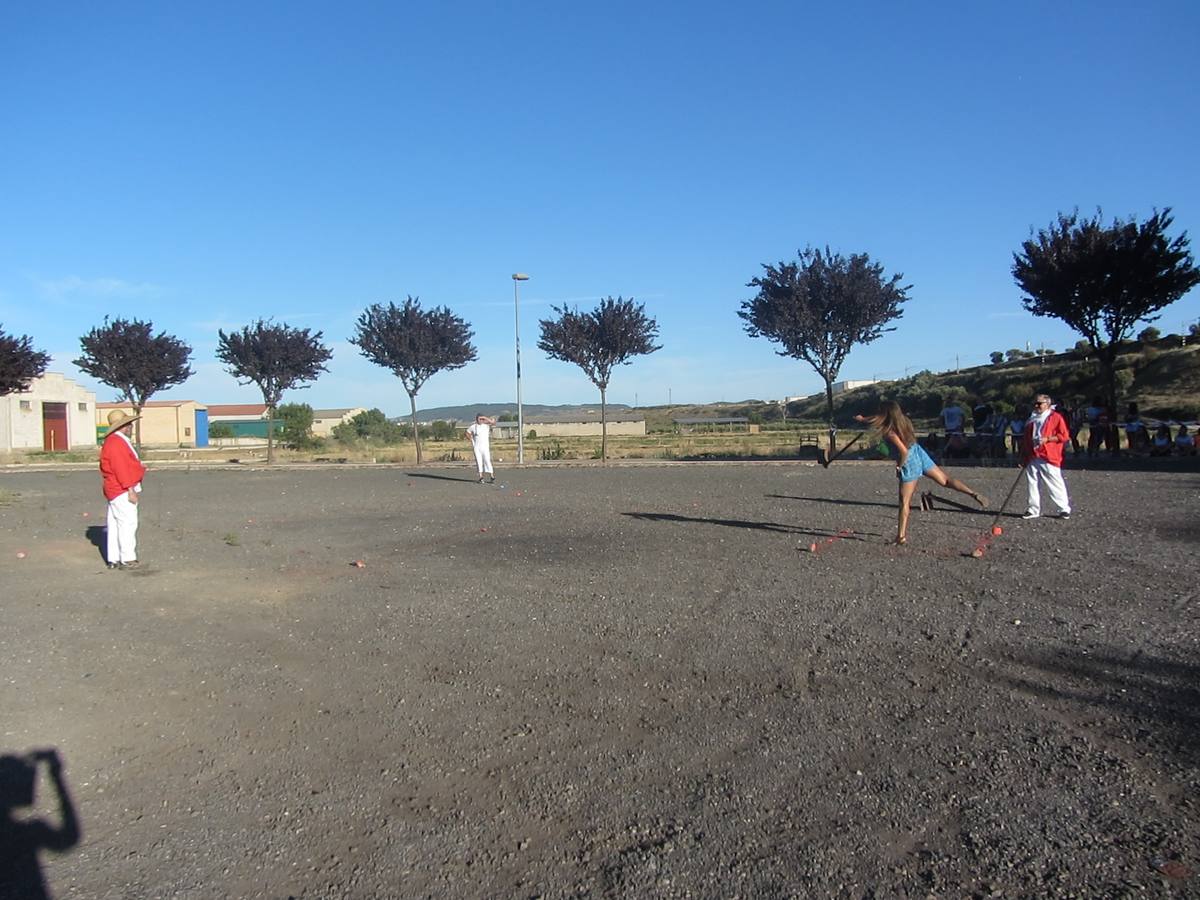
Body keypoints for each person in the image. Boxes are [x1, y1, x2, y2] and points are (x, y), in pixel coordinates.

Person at [855, 401, 988, 545]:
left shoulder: (890, 432)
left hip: (908, 460)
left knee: (904, 502)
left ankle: (900, 536)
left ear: (885, 414)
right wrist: (863, 419)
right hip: (918, 451)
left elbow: (903, 452)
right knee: (945, 480)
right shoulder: (904, 421)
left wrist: (899, 466)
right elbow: (877, 418)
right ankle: (973, 493)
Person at [99, 409, 146, 569]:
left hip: (114, 488)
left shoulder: (113, 441)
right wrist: (130, 489)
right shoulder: (117, 443)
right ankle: (128, 558)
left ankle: (114, 558)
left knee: (115, 524)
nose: (131, 426)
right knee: (127, 523)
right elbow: (121, 468)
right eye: (129, 423)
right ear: (124, 425)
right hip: (121, 488)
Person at [1021, 394, 1072, 520]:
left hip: (1049, 455)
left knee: (1054, 482)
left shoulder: (1055, 417)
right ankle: (1033, 509)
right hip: (1033, 455)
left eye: (1040, 403)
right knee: (1032, 483)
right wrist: (1023, 455)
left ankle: (1064, 509)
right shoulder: (1032, 418)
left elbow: (1064, 436)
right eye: (1035, 403)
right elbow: (1026, 438)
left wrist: (1048, 439)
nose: (1037, 406)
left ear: (1047, 404)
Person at [466, 414, 498, 483]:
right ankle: (481, 477)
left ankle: (491, 476)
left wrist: (485, 418)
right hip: (477, 447)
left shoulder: (486, 426)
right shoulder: (473, 427)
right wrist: (471, 439)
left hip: (485, 447)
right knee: (479, 461)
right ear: (476, 419)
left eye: (482, 419)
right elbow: (467, 432)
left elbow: (493, 423)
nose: (481, 420)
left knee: (487, 460)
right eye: (479, 419)